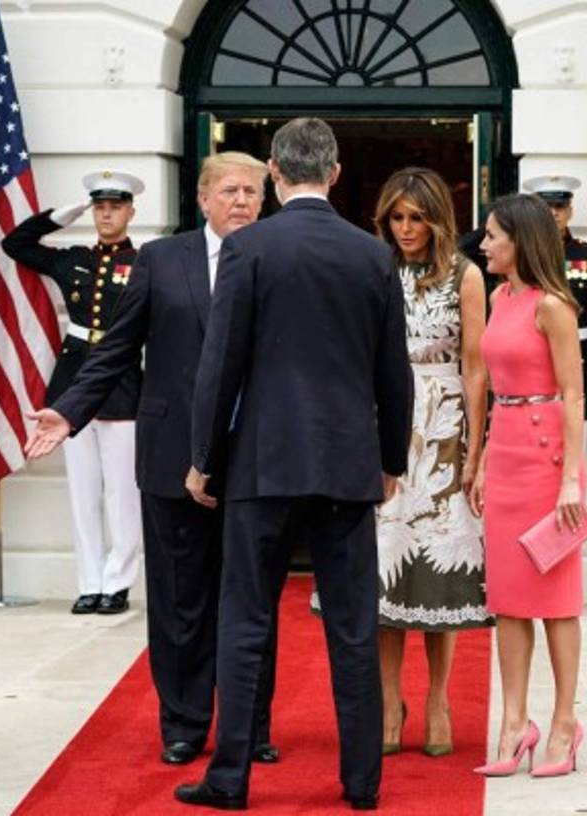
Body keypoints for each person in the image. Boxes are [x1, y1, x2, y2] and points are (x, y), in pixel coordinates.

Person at [175, 117, 412, 812]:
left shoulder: (249, 249)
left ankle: (230, 780)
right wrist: (391, 457)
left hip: (261, 464)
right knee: (353, 626)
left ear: (275, 174)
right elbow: (392, 374)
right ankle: (363, 783)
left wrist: (202, 459)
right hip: (346, 463)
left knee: (246, 621)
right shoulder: (372, 256)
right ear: (334, 173)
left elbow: (220, 367)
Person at [22, 153, 280, 766]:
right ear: (202, 197)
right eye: (229, 190)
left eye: (252, 191)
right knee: (178, 601)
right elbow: (115, 350)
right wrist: (70, 407)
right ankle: (184, 724)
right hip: (169, 455)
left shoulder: (281, 257)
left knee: (251, 599)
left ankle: (251, 727)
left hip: (256, 459)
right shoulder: (163, 260)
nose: (241, 201)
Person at [316, 166, 491, 759]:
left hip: (443, 430)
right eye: (397, 217)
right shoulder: (372, 266)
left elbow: (475, 366)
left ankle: (439, 698)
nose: (407, 228)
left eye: (417, 216)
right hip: (378, 424)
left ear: (438, 218)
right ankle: (390, 701)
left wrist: (476, 447)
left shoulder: (467, 275)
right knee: (383, 572)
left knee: (437, 577)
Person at [469, 193, 587, 778]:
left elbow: (574, 394)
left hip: (548, 462)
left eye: (493, 235)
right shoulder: (499, 296)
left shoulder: (554, 305)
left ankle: (564, 721)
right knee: (509, 602)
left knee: (556, 603)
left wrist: (570, 480)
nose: (484, 243)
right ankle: (515, 723)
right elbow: (499, 389)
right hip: (510, 451)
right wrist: (486, 458)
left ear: (522, 240)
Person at [2, 169, 144, 615]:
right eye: (99, 207)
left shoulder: (144, 263)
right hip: (72, 386)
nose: (106, 214)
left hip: (122, 385)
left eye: (114, 206)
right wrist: (58, 218)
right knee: (83, 493)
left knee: (123, 493)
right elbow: (15, 245)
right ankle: (89, 582)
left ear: (130, 211)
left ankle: (117, 583)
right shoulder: (74, 259)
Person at [522, 175, 587, 436]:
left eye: (560, 207)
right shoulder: (520, 255)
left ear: (570, 211)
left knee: (573, 465)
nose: (553, 213)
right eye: (546, 207)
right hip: (528, 374)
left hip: (575, 375)